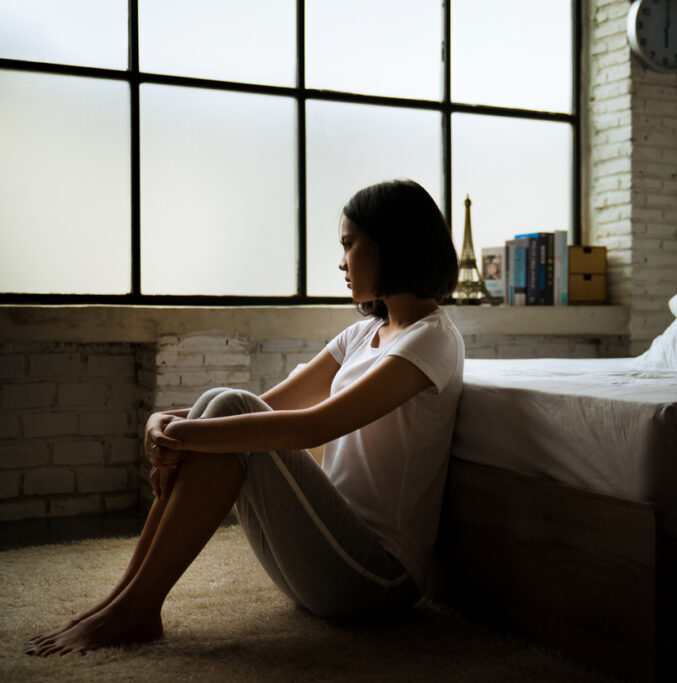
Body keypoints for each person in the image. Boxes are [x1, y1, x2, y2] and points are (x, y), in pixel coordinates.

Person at [25, 179, 464, 656]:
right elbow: (268, 404)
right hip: (322, 553)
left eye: (348, 245)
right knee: (224, 398)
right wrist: (163, 420)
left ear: (388, 246)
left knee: (229, 408)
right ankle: (124, 600)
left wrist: (183, 435)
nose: (340, 261)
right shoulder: (363, 335)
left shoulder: (432, 340)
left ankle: (135, 608)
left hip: (378, 580)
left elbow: (314, 425)